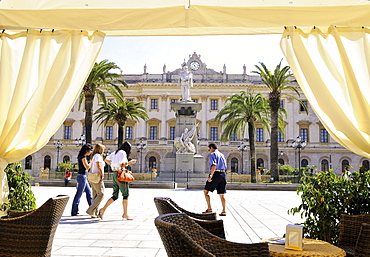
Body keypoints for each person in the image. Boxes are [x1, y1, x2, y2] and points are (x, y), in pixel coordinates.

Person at [100, 142, 136, 220]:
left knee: (115, 195)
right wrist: (130, 162)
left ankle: (103, 209)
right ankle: (125, 214)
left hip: (115, 174)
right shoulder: (123, 153)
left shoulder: (115, 152)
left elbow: (106, 159)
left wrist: (112, 165)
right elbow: (122, 164)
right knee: (125, 194)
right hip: (121, 175)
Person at [203, 143, 227, 216]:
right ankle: (224, 211)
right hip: (223, 174)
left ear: (211, 148)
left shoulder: (213, 154)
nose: (209, 151)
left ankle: (209, 208)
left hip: (216, 174)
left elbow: (214, 165)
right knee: (222, 194)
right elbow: (225, 166)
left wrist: (211, 176)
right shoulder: (222, 155)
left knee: (206, 192)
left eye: (209, 149)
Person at [71, 144, 93, 216]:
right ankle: (74, 212)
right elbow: (87, 167)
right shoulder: (83, 157)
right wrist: (91, 162)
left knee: (89, 193)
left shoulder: (82, 156)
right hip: (82, 177)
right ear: (86, 150)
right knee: (79, 194)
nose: (91, 152)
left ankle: (92, 209)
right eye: (90, 150)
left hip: (83, 177)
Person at [86, 143, 106, 218]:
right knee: (101, 194)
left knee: (95, 195)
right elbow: (98, 166)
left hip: (92, 177)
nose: (103, 151)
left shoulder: (93, 156)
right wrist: (102, 174)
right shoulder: (98, 156)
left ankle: (94, 213)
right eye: (103, 149)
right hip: (97, 177)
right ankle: (90, 210)